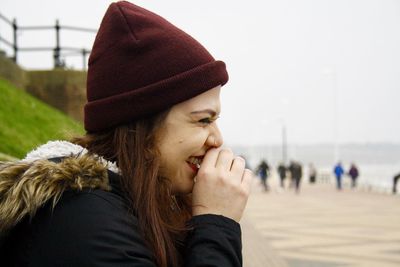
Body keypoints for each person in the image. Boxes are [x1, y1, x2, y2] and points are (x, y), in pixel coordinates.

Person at [0, 2, 253, 267]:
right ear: (142, 126)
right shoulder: (84, 223)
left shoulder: (122, 203)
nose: (217, 138)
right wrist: (217, 224)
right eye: (203, 120)